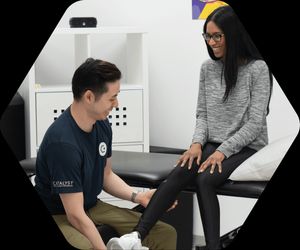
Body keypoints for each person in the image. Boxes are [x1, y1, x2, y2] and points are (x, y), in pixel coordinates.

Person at [107, 5, 273, 250]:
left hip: (247, 146)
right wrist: (196, 144)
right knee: (181, 169)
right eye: (208, 36)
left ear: (234, 35)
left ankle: (212, 246)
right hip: (211, 144)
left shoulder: (257, 69)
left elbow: (255, 123)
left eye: (218, 36)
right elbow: (202, 114)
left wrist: (222, 151)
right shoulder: (208, 68)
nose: (212, 42)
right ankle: (136, 237)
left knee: (205, 180)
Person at [34, 58, 177, 250]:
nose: (116, 104)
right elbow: (75, 215)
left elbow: (106, 175)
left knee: (164, 233)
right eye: (112, 98)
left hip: (92, 206)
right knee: (86, 246)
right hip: (59, 213)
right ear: (89, 97)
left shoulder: (101, 124)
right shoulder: (63, 143)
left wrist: (138, 197)